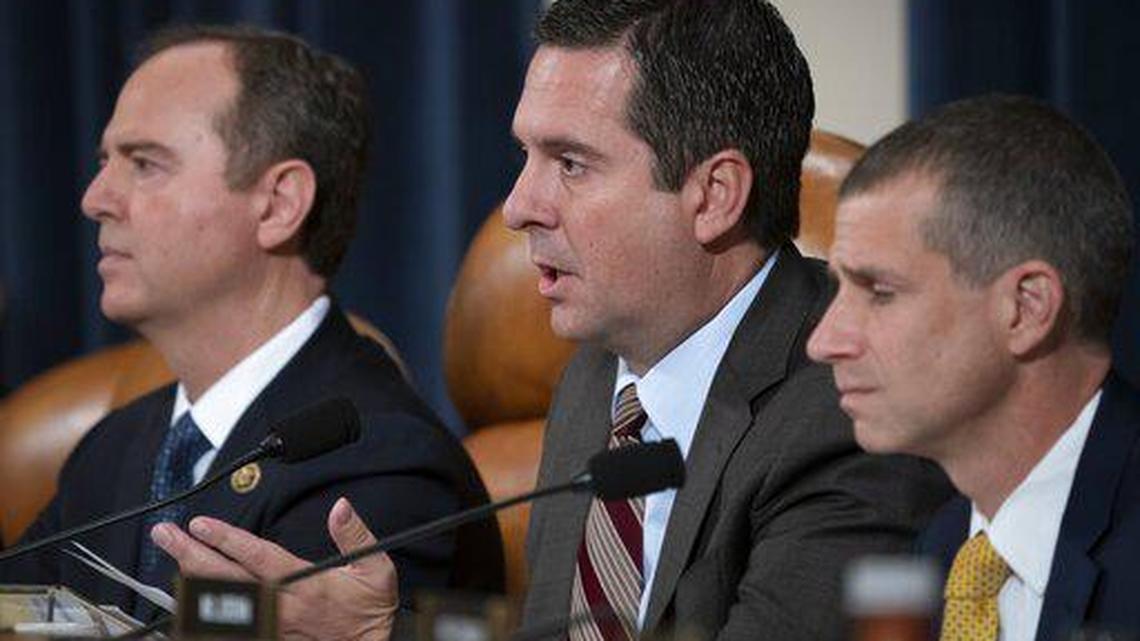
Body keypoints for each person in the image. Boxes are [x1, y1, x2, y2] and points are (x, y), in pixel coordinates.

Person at [157, 2, 951, 640]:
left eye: (570, 163)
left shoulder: (855, 405)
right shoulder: (596, 380)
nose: (518, 206)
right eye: (526, 157)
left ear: (713, 195)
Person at [0, 24, 502, 619]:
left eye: (144, 164)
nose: (95, 198)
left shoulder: (380, 464)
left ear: (278, 204)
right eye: (106, 161)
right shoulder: (114, 447)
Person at [807, 94, 1139, 640]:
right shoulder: (937, 551)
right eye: (837, 289)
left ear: (1027, 308)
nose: (824, 342)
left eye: (880, 292)